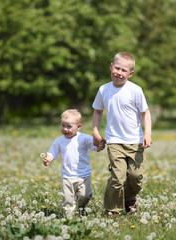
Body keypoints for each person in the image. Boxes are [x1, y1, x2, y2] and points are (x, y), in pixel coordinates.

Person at [92, 52, 152, 216]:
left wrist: (147, 133)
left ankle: (129, 197)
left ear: (130, 73)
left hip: (135, 141)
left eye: (124, 70)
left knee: (136, 176)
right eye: (116, 68)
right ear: (111, 67)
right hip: (115, 141)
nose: (119, 72)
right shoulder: (104, 89)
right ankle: (113, 210)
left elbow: (145, 113)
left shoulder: (135, 90)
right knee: (117, 178)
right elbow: (97, 111)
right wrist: (95, 132)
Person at [42, 109, 105, 215]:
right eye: (63, 125)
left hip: (83, 175)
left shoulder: (83, 138)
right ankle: (68, 217)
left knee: (85, 195)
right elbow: (52, 152)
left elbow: (95, 146)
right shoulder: (59, 141)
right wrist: (48, 158)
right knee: (68, 199)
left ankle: (82, 207)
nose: (65, 129)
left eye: (69, 126)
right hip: (67, 176)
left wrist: (100, 146)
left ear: (78, 127)